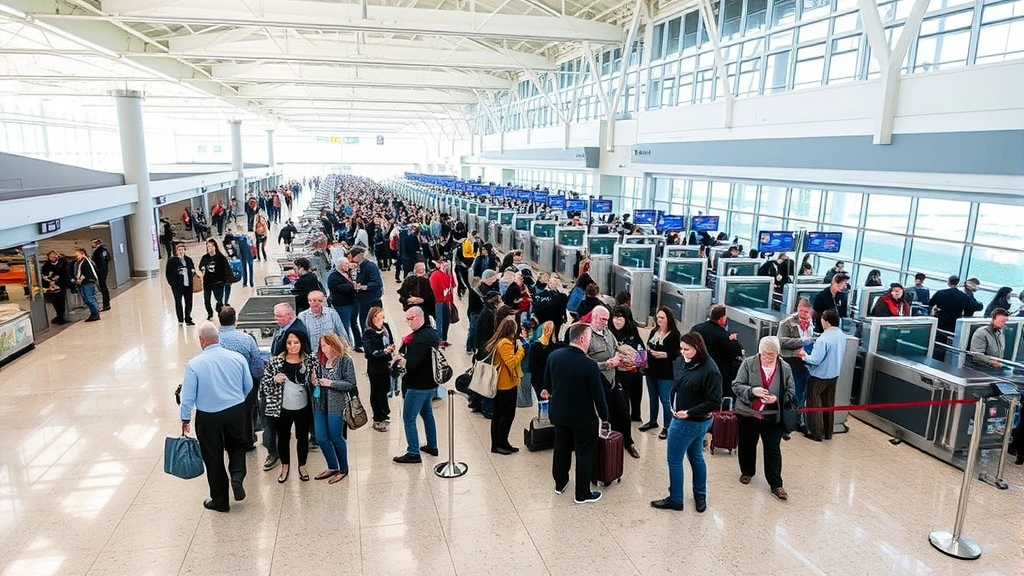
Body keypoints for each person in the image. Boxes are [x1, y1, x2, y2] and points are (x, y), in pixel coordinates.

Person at [178, 322, 252, 512]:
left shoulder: (194, 364)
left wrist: (185, 419)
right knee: (237, 445)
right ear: (218, 337)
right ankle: (236, 476)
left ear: (201, 340)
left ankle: (220, 501)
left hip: (208, 416)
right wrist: (237, 399)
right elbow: (249, 385)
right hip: (235, 410)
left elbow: (187, 397)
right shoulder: (237, 358)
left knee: (213, 456)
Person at [650, 331, 722, 512]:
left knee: (674, 460)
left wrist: (688, 412)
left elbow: (714, 401)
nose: (682, 353)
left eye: (686, 349)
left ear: (697, 348)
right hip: (693, 421)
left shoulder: (710, 370)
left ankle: (676, 499)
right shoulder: (691, 362)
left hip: (688, 422)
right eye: (681, 349)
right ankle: (700, 496)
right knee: (696, 456)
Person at [542, 322, 608, 505]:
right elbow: (598, 396)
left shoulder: (554, 356)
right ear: (581, 339)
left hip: (559, 414)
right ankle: (582, 493)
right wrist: (604, 416)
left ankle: (560, 483)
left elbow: (547, 383)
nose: (590, 342)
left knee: (561, 448)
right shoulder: (589, 365)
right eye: (589, 338)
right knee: (584, 454)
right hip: (583, 419)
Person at [732, 336, 795, 501]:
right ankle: (747, 471)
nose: (768, 358)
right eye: (765, 354)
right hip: (748, 414)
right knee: (747, 444)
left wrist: (777, 399)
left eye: (772, 355)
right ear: (759, 352)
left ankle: (776, 484)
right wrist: (753, 391)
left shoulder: (785, 367)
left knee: (773, 449)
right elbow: (736, 385)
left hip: (773, 416)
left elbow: (791, 392)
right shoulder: (748, 363)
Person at [261, 330, 318, 483]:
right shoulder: (275, 362)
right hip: (282, 409)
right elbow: (263, 387)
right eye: (289, 343)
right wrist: (274, 379)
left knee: (302, 438)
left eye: (296, 343)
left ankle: (302, 465)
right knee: (283, 438)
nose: (293, 346)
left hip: (303, 408)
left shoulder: (310, 360)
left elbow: (317, 384)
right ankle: (285, 465)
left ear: (302, 343)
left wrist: (315, 383)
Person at [393, 306, 440, 464]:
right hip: (430, 383)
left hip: (417, 385)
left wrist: (397, 357)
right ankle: (432, 445)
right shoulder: (432, 332)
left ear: (420, 317)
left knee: (408, 418)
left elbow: (411, 364)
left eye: (410, 319)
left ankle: (413, 452)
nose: (407, 322)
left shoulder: (419, 339)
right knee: (427, 415)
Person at [585, 307, 635, 458]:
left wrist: (626, 355)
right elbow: (585, 361)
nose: (606, 323)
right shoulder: (587, 336)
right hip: (599, 382)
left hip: (613, 380)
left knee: (624, 413)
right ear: (594, 317)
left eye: (607, 319)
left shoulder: (607, 332)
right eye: (603, 319)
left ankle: (627, 442)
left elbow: (616, 347)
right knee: (605, 415)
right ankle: (604, 448)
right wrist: (606, 364)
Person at [218, 306, 265, 452]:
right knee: (247, 412)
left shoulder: (215, 339)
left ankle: (228, 441)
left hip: (223, 381)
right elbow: (256, 362)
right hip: (245, 381)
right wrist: (258, 379)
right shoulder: (246, 339)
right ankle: (248, 440)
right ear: (235, 320)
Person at [313, 333, 356, 484]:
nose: (322, 348)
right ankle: (332, 466)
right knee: (321, 437)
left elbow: (350, 383)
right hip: (320, 403)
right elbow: (314, 380)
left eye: (325, 345)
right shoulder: (319, 360)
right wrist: (314, 380)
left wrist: (330, 383)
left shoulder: (345, 360)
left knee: (336, 436)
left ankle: (343, 468)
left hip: (336, 404)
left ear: (333, 344)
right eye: (321, 345)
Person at [797, 309, 845, 442]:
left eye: (822, 319)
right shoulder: (841, 335)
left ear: (827, 322)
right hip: (834, 374)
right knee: (828, 403)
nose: (821, 321)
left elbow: (815, 360)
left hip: (819, 376)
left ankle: (815, 433)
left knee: (814, 403)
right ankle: (828, 432)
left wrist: (803, 355)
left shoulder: (823, 339)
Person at [487, 317, 527, 455]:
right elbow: (512, 362)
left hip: (502, 384)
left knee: (499, 414)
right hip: (505, 385)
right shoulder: (505, 343)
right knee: (507, 415)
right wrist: (521, 350)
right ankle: (500, 443)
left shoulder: (500, 341)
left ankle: (501, 442)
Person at [641, 307, 682, 439]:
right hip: (651, 370)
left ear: (668, 319)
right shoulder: (654, 331)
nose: (659, 320)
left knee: (665, 400)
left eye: (662, 318)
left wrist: (665, 354)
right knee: (653, 397)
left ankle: (667, 426)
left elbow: (677, 353)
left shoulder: (674, 334)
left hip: (665, 373)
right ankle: (652, 420)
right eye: (658, 317)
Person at [777, 298, 815, 435]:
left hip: (804, 363)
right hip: (790, 361)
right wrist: (801, 342)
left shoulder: (811, 323)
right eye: (801, 310)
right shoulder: (786, 324)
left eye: (806, 311)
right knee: (787, 393)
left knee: (801, 395)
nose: (803, 314)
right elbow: (780, 341)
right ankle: (784, 423)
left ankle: (798, 422)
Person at [691, 304, 744, 400]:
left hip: (697, 373)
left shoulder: (696, 329)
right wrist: (734, 341)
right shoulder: (723, 335)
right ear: (721, 319)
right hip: (718, 376)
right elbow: (736, 352)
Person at [929, 275, 984, 361]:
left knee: (938, 343)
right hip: (954, 324)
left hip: (940, 322)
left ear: (948, 282)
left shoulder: (940, 292)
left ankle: (935, 360)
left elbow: (930, 303)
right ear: (958, 283)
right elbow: (976, 307)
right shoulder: (964, 296)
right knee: (952, 345)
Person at [609, 306, 645, 426]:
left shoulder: (633, 331)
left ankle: (635, 416)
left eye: (620, 318)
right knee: (621, 402)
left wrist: (639, 364)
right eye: (615, 318)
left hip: (633, 372)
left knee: (635, 397)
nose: (617, 321)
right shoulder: (609, 332)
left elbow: (641, 350)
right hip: (617, 373)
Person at [362, 306, 395, 432]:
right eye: (380, 316)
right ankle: (377, 417)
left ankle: (384, 412)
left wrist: (390, 349)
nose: (382, 318)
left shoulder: (385, 328)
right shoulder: (369, 333)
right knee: (376, 391)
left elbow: (390, 340)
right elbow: (369, 352)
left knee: (385, 389)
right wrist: (383, 351)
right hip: (375, 367)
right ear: (373, 317)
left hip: (386, 364)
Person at [350, 246, 383, 350]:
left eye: (352, 256)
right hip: (363, 300)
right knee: (364, 323)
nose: (351, 259)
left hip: (372, 300)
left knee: (374, 323)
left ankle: (377, 345)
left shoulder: (370, 266)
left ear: (359, 256)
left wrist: (364, 287)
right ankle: (368, 345)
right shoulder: (359, 267)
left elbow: (378, 283)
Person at [467, 269, 499, 353]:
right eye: (492, 278)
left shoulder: (487, 287)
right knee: (473, 331)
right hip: (476, 313)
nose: (494, 280)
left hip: (478, 312)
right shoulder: (480, 290)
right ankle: (470, 347)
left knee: (475, 331)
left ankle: (472, 347)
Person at [327, 258, 358, 346]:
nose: (348, 266)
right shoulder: (333, 277)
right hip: (342, 305)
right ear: (340, 266)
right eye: (346, 264)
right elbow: (345, 288)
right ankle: (346, 345)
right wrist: (352, 286)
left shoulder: (349, 274)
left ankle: (358, 343)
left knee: (354, 323)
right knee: (344, 326)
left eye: (348, 264)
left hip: (353, 303)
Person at [197, 239, 230, 321]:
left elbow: (226, 269)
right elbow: (200, 267)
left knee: (219, 299)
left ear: (215, 247)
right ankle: (210, 313)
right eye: (208, 247)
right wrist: (202, 269)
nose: (210, 248)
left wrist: (227, 281)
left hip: (218, 282)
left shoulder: (220, 257)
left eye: (211, 246)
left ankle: (220, 312)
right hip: (207, 282)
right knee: (206, 300)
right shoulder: (205, 257)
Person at [528, 320, 561, 400]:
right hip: (549, 379)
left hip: (539, 378)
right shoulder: (555, 348)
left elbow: (531, 367)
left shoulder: (534, 346)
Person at [164, 243, 196, 325]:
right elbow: (168, 273)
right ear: (176, 251)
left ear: (184, 251)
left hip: (188, 285)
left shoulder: (188, 260)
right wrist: (172, 284)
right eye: (179, 250)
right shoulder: (172, 261)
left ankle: (188, 319)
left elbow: (193, 269)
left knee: (189, 302)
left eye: (182, 250)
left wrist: (192, 272)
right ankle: (180, 319)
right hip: (177, 286)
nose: (181, 251)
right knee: (178, 302)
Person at [429, 258, 456, 348]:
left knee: (446, 321)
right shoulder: (435, 275)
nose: (446, 266)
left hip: (447, 301)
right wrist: (441, 296)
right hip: (439, 301)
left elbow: (452, 287)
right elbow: (434, 289)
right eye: (444, 263)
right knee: (439, 321)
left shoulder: (448, 275)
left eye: (447, 264)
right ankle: (439, 340)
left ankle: (444, 339)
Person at [72, 247, 101, 322]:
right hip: (84, 282)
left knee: (89, 298)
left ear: (82, 253)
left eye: (77, 255)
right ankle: (94, 312)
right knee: (87, 298)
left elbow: (88, 272)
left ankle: (95, 313)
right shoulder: (79, 262)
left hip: (88, 282)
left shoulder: (86, 262)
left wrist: (81, 278)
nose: (75, 256)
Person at [41, 251, 70, 325]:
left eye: (54, 256)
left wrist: (59, 280)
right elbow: (44, 275)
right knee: (54, 301)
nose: (53, 258)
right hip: (51, 286)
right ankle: (58, 315)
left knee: (61, 301)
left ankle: (62, 317)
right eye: (51, 257)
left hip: (61, 284)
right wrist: (48, 280)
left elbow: (66, 274)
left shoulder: (63, 263)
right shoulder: (46, 266)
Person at [90, 237, 112, 311]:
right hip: (103, 271)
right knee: (103, 287)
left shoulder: (99, 251)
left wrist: (98, 270)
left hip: (101, 271)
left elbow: (101, 262)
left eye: (92, 243)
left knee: (103, 287)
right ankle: (106, 304)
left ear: (97, 243)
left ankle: (106, 304)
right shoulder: (104, 250)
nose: (91, 244)